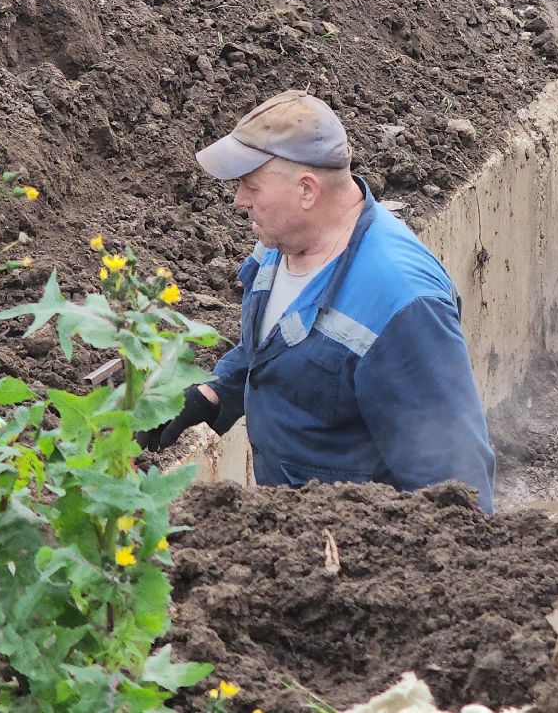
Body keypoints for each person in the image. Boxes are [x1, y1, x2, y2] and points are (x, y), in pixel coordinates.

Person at [141, 91, 496, 511]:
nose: (239, 200)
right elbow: (276, 343)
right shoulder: (283, 241)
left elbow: (453, 482)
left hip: (363, 548)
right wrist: (214, 394)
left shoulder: (401, 302)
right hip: (297, 533)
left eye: (251, 185)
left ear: (307, 190)